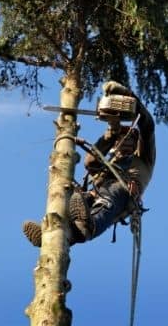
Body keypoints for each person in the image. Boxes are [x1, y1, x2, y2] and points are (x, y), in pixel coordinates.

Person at [22, 81, 156, 247]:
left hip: (122, 192)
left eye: (129, 140)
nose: (124, 143)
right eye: (121, 141)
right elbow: (91, 163)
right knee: (75, 205)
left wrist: (127, 94)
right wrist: (112, 132)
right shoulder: (111, 162)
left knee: (105, 202)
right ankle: (53, 233)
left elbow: (148, 125)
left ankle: (87, 226)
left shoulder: (144, 158)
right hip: (95, 192)